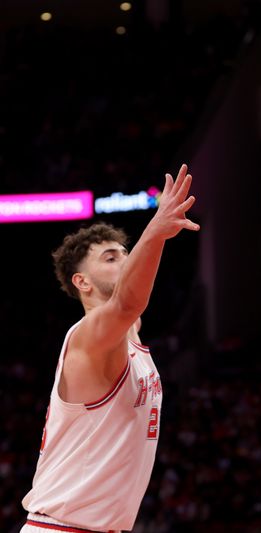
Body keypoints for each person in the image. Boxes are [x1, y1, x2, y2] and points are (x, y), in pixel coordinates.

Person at [21, 164, 199, 533]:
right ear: (81, 282)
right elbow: (127, 304)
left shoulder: (131, 335)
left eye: (125, 253)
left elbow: (133, 307)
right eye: (110, 257)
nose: (124, 259)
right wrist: (158, 229)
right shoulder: (88, 336)